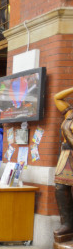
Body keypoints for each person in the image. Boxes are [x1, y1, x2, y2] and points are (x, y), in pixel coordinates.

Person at [53, 87, 73, 238]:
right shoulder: (69, 113)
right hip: (67, 153)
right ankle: (67, 223)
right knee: (60, 188)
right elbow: (57, 98)